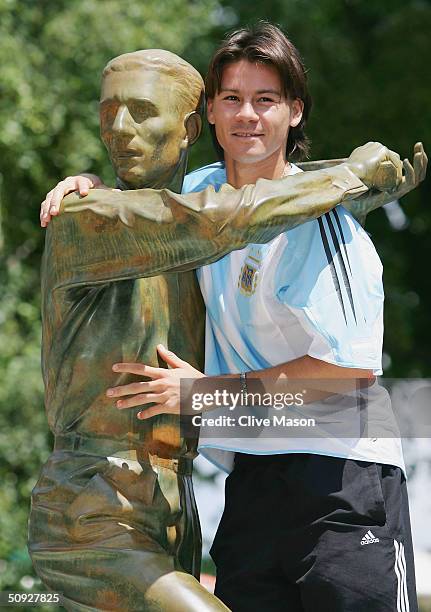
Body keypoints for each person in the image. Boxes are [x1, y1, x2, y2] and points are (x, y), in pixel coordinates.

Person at [33, 46, 400, 611]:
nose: (246, 114)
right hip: (211, 483)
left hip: (337, 474)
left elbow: (347, 375)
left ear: (295, 111)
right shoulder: (184, 210)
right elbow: (206, 218)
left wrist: (204, 395)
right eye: (232, 98)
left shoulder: (322, 219)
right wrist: (84, 184)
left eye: (265, 99)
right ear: (210, 115)